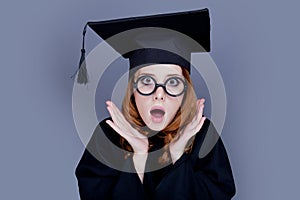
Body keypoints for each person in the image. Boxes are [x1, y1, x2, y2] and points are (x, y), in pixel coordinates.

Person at [75, 8, 236, 200]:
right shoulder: (109, 135)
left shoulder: (202, 135)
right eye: (147, 81)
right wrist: (139, 157)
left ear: (185, 92)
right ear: (132, 89)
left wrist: (178, 156)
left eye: (173, 82)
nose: (159, 94)